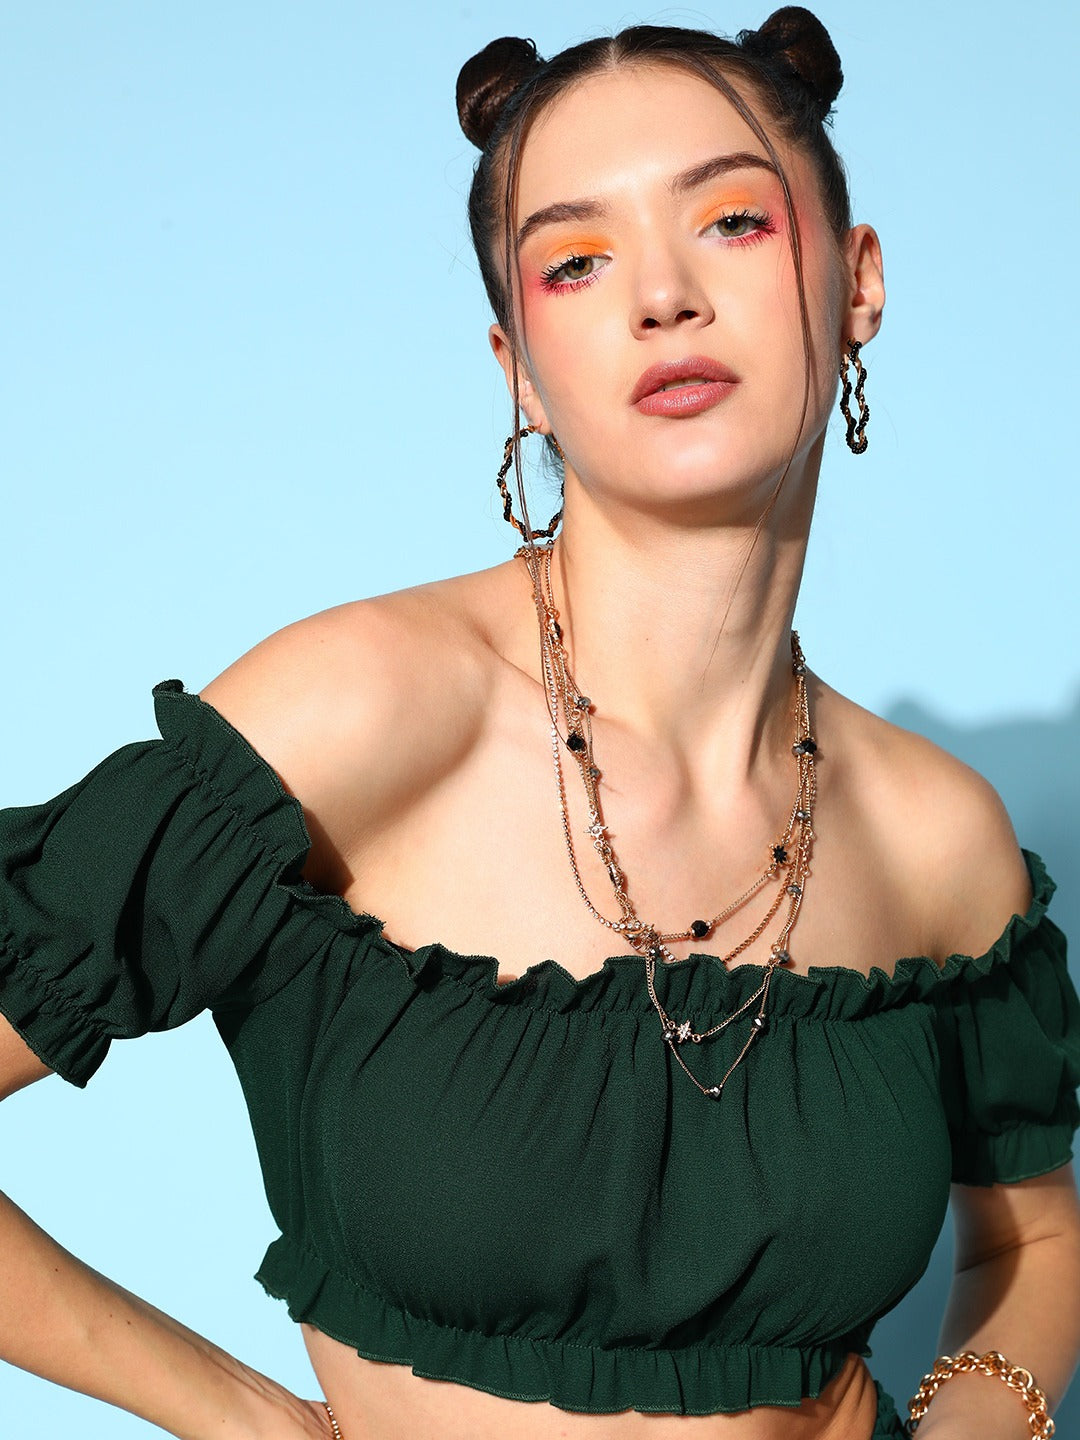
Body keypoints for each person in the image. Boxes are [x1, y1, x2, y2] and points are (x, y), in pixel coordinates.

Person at [2, 7, 1079, 1438]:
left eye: (734, 222)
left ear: (859, 281)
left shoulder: (937, 834)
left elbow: (1032, 1238)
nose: (663, 297)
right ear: (518, 362)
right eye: (578, 259)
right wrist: (240, 1416)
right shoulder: (361, 716)